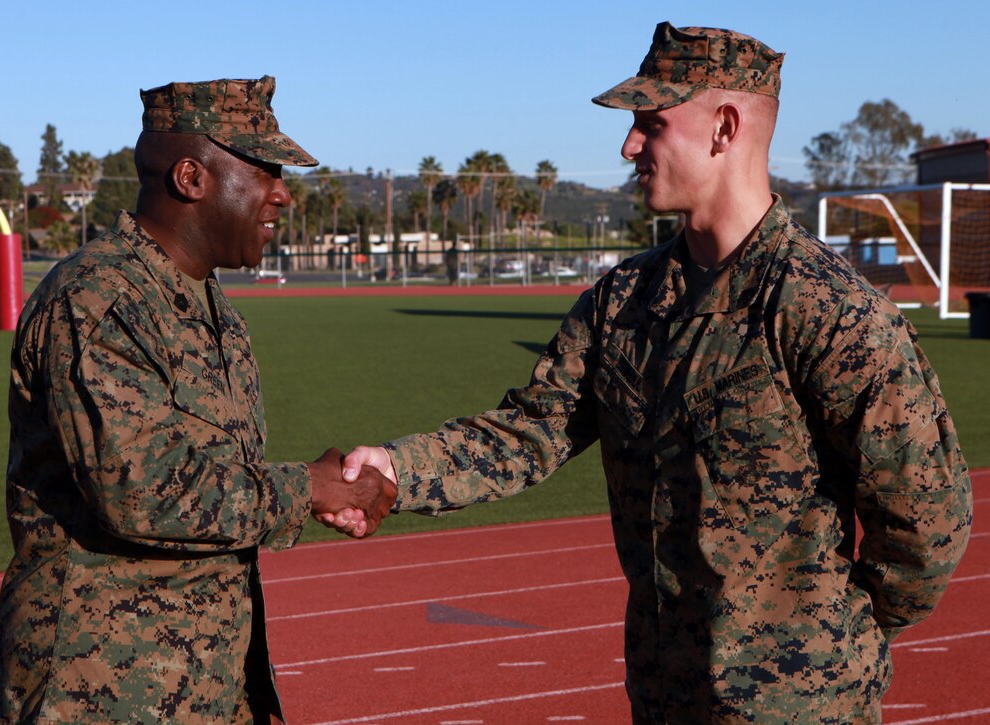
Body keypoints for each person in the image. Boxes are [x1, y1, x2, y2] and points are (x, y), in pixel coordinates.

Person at [337, 23, 973, 723]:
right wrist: (396, 466)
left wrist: (831, 634)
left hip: (797, 707)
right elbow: (527, 432)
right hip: (664, 695)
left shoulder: (826, 309)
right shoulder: (622, 303)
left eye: (651, 124)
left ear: (724, 128)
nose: (629, 147)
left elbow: (926, 520)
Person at [0, 76, 396, 724]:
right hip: (96, 694)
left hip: (207, 684)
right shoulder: (100, 299)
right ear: (190, 177)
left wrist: (314, 482)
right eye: (264, 169)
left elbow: (204, 473)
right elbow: (142, 491)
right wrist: (309, 488)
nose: (283, 192)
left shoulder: (211, 310)